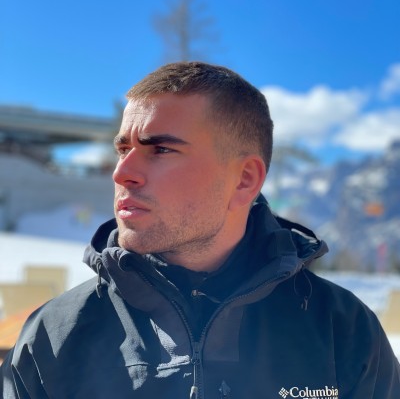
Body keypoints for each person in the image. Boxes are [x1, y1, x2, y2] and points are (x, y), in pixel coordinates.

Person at [1, 62, 399, 399]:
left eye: (161, 149)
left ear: (244, 179)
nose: (122, 173)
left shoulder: (343, 331)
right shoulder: (54, 336)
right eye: (123, 149)